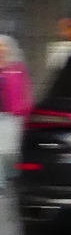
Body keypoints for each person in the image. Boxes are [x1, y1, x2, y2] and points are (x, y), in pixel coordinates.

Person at [0, 33, 31, 168]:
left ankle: (13, 177)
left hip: (12, 117)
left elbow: (26, 90)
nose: (1, 49)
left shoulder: (17, 69)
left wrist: (24, 109)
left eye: (3, 46)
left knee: (10, 151)